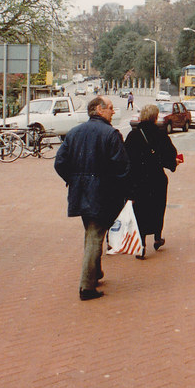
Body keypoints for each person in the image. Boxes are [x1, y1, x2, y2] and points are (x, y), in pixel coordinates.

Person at [54, 96, 130, 301]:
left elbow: (60, 162)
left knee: (91, 232)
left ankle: (96, 273)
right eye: (111, 108)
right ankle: (86, 286)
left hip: (80, 191)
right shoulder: (111, 134)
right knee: (95, 235)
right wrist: (120, 190)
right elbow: (122, 167)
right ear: (99, 109)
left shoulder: (75, 132)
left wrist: (74, 179)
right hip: (103, 193)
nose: (113, 112)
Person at [124, 103, 179, 257]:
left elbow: (126, 159)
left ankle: (141, 244)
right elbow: (170, 155)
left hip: (138, 180)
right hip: (156, 179)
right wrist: (173, 163)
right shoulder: (161, 134)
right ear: (155, 117)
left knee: (140, 211)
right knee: (157, 208)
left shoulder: (133, 135)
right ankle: (157, 237)